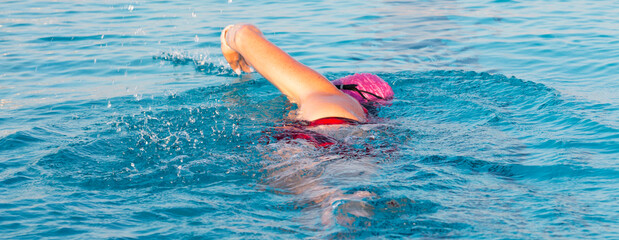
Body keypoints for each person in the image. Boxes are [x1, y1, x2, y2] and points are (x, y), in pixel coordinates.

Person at [220, 24, 393, 124]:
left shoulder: (327, 94)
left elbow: (243, 34)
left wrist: (228, 38)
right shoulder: (366, 121)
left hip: (321, 134)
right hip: (355, 145)